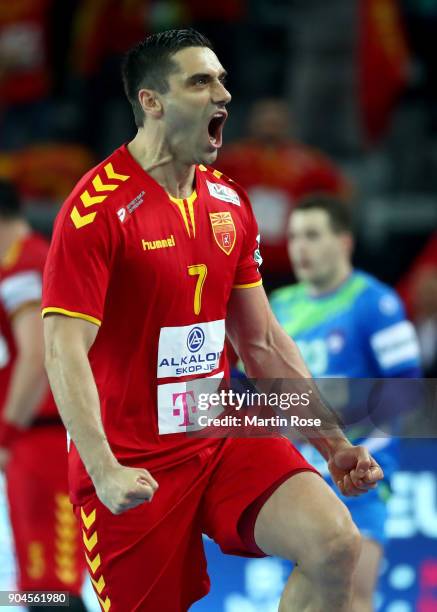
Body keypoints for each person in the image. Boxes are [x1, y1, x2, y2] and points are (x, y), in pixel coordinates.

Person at [42, 29, 383, 612]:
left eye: (222, 79)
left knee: (334, 544)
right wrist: (105, 470)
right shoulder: (95, 211)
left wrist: (332, 443)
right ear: (152, 102)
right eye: (201, 81)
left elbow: (264, 343)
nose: (223, 93)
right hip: (133, 462)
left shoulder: (228, 200)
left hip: (219, 433)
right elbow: (62, 349)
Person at [270, 195, 422, 611]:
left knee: (352, 597)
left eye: (314, 235)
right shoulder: (278, 307)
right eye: (295, 236)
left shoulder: (376, 304)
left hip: (359, 479)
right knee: (303, 600)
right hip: (296, 479)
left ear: (344, 242)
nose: (300, 247)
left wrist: (366, 456)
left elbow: (406, 390)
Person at [0, 180, 86, 611]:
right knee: (39, 584)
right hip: (30, 441)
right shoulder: (14, 265)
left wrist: (6, 432)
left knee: (55, 584)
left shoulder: (28, 266)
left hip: (45, 438)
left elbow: (36, 356)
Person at [217, 97, 351, 283]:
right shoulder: (230, 160)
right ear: (252, 122)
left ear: (287, 123)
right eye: (264, 120)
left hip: (290, 261)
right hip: (240, 258)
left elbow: (341, 194)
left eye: (275, 120)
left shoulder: (310, 162)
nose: (269, 126)